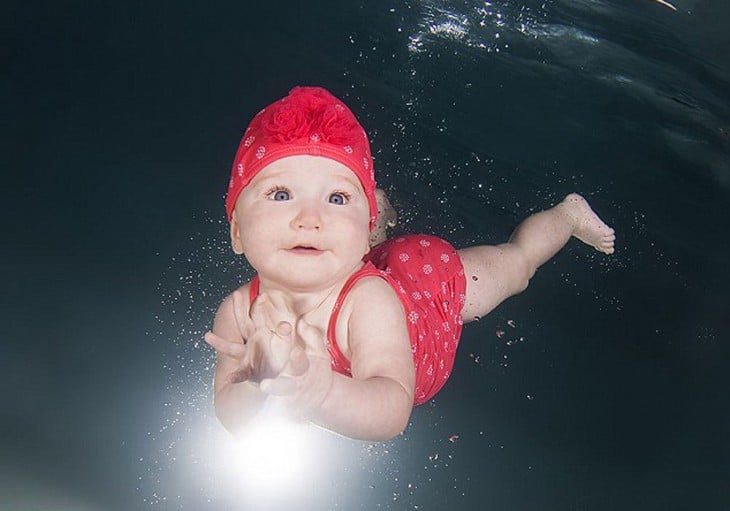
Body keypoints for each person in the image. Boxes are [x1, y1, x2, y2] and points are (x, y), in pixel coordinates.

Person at [204, 86, 615, 441]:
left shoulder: (368, 300)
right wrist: (256, 384)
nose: (309, 218)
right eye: (280, 194)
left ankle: (569, 215)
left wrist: (322, 393)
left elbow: (393, 407)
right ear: (237, 230)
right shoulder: (239, 314)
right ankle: (369, 212)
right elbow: (231, 413)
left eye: (336, 198)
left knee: (518, 266)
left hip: (428, 290)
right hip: (363, 256)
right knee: (340, 246)